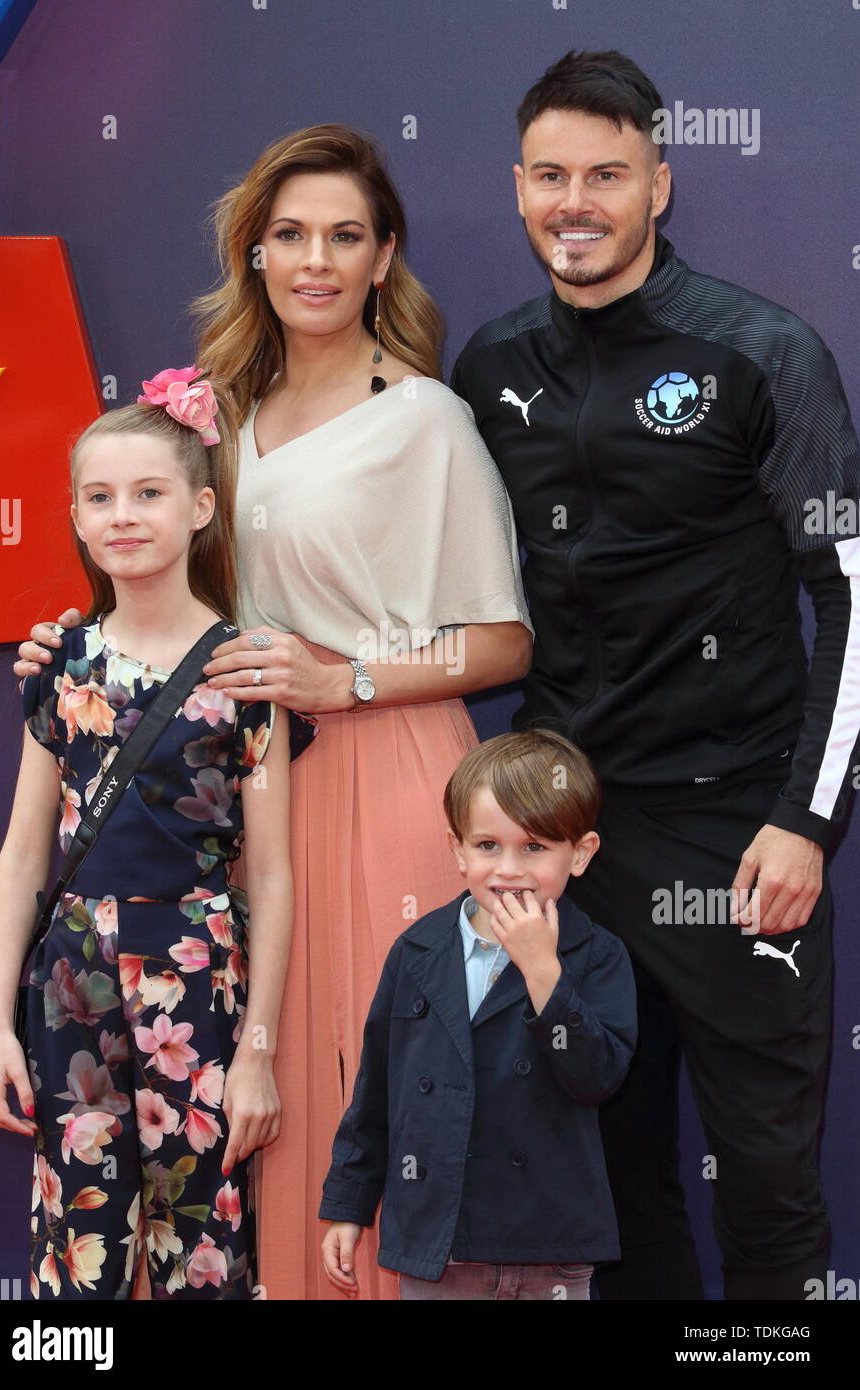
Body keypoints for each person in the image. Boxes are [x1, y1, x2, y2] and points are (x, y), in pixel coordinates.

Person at [11, 124, 534, 1300]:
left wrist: (341, 677)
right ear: (252, 253)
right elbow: (167, 583)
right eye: (289, 235)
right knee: (266, 1093)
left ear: (383, 257)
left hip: (390, 772)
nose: (315, 260)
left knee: (384, 1080)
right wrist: (73, 632)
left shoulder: (425, 421)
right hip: (244, 792)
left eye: (344, 236)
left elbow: (504, 640)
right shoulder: (217, 418)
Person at [448, 50, 860, 1301]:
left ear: (659, 186)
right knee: (614, 1190)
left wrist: (805, 821)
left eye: (608, 175)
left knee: (771, 1192)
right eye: (553, 175)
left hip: (741, 838)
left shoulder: (762, 352)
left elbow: (848, 595)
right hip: (570, 846)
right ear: (518, 188)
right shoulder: (488, 365)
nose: (578, 201)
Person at [0, 368, 317, 1299]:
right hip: (70, 974)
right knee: (77, 1247)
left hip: (200, 970)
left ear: (201, 507)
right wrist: (3, 1026)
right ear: (77, 520)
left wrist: (257, 1051)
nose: (123, 515)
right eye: (99, 497)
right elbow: (22, 853)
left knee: (202, 1252)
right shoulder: (59, 666)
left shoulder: (249, 671)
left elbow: (277, 875)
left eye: (148, 493)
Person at [319, 728, 637, 1300]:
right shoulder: (417, 951)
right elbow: (376, 1093)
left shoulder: (598, 955)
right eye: (488, 845)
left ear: (582, 853)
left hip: (550, 1244)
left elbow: (598, 1077)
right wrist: (349, 1206)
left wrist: (544, 973)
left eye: (535, 847)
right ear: (457, 849)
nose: (509, 869)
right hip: (438, 1243)